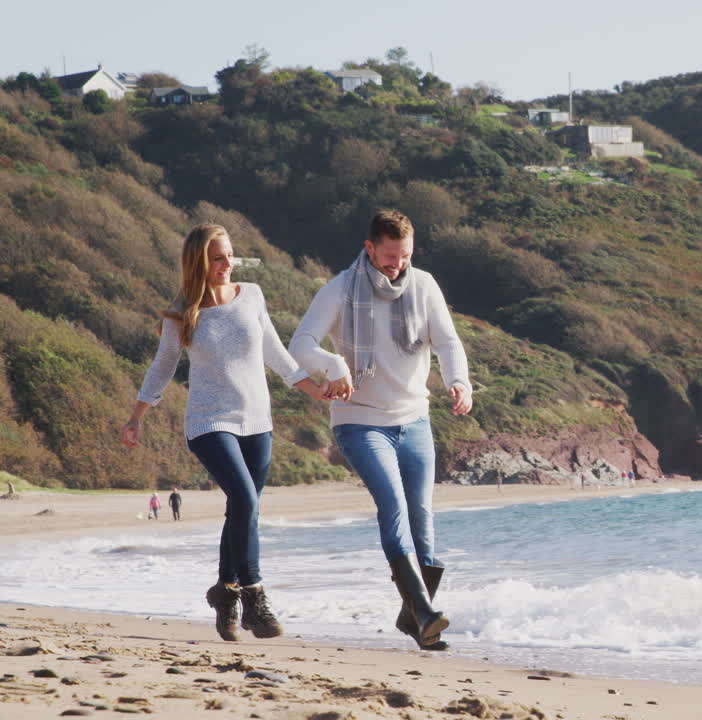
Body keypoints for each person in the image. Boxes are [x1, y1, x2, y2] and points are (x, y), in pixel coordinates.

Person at [120, 223, 328, 642]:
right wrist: (137, 415)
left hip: (257, 421)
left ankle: (224, 592)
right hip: (209, 422)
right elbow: (163, 367)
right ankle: (255, 596)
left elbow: (276, 354)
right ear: (199, 262)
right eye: (217, 258)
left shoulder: (250, 295)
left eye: (230, 255)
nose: (227, 264)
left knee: (241, 509)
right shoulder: (183, 313)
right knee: (246, 499)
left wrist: (317, 390)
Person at [289, 209, 472, 650]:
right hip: (360, 419)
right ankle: (424, 611)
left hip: (415, 418)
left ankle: (415, 621)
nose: (397, 266)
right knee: (393, 507)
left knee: (422, 518)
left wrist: (459, 380)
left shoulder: (423, 285)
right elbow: (300, 344)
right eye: (389, 258)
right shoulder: (339, 290)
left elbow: (447, 341)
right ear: (370, 248)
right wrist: (333, 364)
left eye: (405, 256)